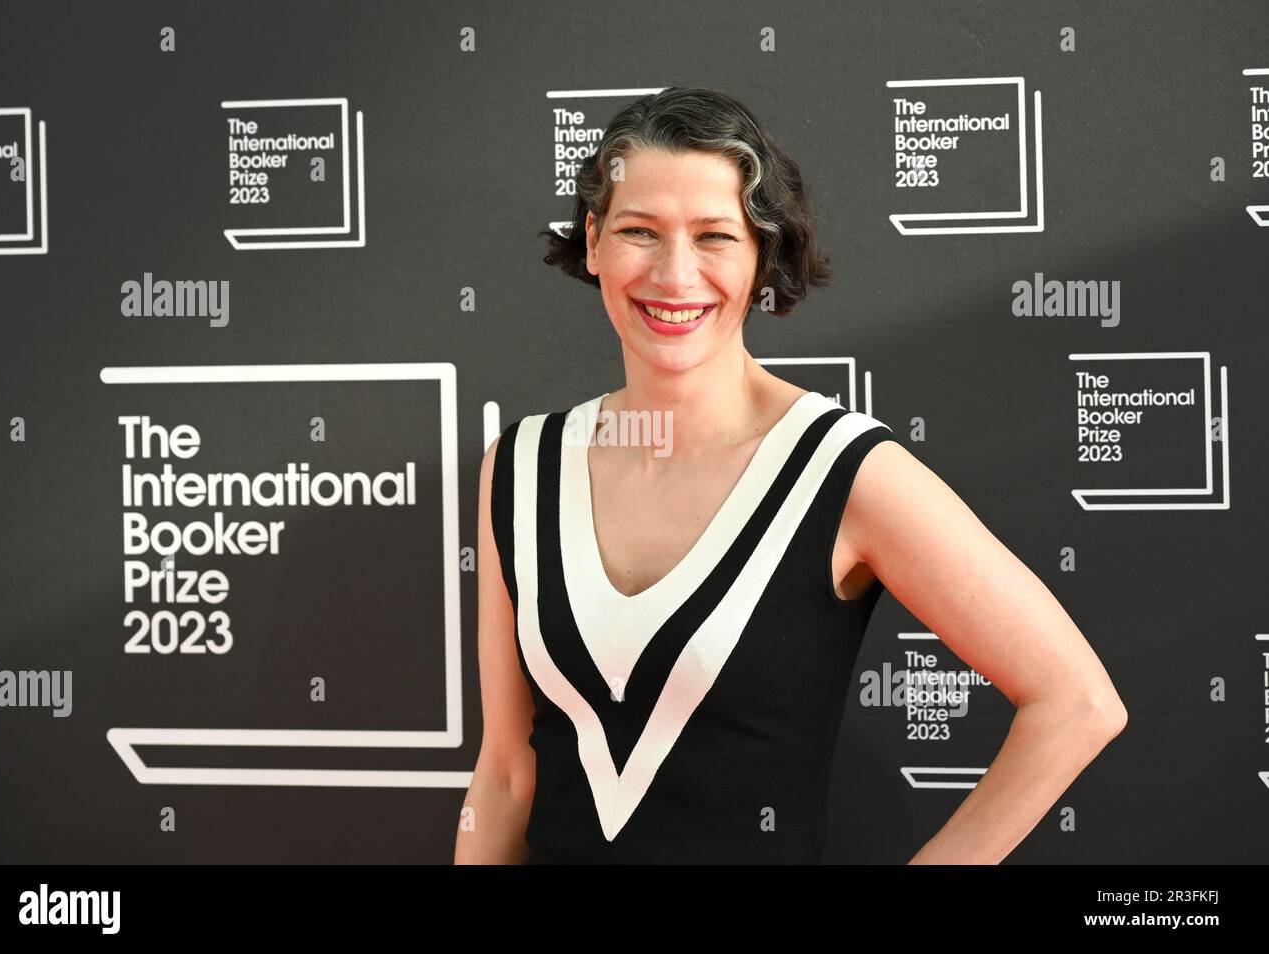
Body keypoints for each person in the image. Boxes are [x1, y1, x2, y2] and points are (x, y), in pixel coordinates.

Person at [454, 87, 1127, 864]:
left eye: (715, 236)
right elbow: (506, 774)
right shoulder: (525, 463)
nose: (675, 275)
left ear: (762, 255)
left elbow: (1076, 704)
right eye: (640, 231)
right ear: (595, 241)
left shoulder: (839, 468)